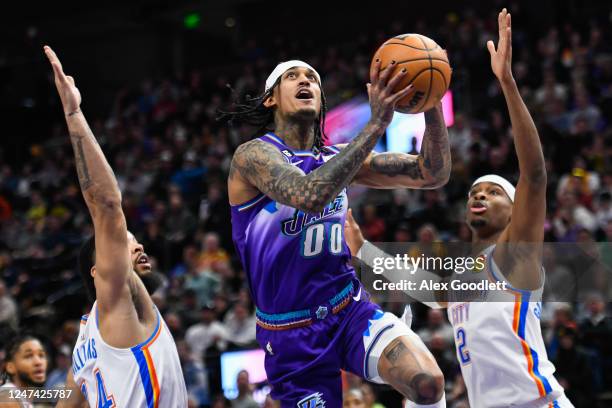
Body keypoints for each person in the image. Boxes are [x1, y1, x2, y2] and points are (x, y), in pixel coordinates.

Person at [346, 9, 574, 407]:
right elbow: (426, 288)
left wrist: (507, 82)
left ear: (515, 210)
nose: (479, 195)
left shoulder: (514, 258)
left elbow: (534, 175)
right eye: (474, 191)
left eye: (493, 192)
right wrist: (364, 249)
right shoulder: (466, 279)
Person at [226, 40, 451, 406]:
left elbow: (431, 173)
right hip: (291, 336)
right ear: (270, 98)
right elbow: (308, 194)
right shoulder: (253, 156)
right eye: (292, 76)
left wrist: (431, 100)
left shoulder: (339, 159)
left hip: (348, 311)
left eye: (312, 77)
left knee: (427, 383)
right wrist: (377, 123)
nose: (305, 80)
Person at [43, 46, 187, 407]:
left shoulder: (84, 341)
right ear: (99, 269)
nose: (138, 247)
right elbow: (106, 205)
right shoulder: (117, 298)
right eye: (125, 243)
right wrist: (73, 113)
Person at [0, 335, 47, 408]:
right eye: (28, 356)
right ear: (10, 367)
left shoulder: (22, 399)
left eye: (41, 355)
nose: (38, 362)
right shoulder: (8, 399)